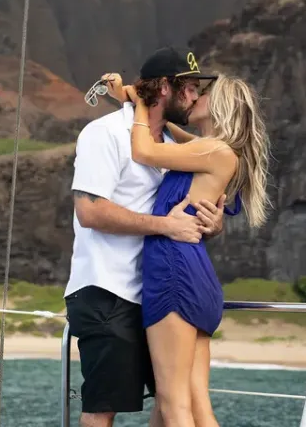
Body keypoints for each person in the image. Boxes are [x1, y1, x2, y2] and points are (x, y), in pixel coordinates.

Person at [64, 47, 227, 427]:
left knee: (173, 402)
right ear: (167, 88)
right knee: (102, 409)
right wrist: (165, 226)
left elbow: (188, 214)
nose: (196, 97)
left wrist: (212, 224)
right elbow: (89, 212)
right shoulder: (103, 134)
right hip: (107, 292)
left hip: (161, 293)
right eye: (190, 88)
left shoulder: (173, 147)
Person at [106, 70, 270, 427]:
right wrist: (137, 101)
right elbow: (176, 139)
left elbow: (143, 150)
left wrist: (142, 103)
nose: (194, 98)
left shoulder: (213, 151)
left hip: (172, 272)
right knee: (194, 403)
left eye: (203, 94)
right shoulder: (212, 151)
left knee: (174, 402)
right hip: (194, 276)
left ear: (219, 106)